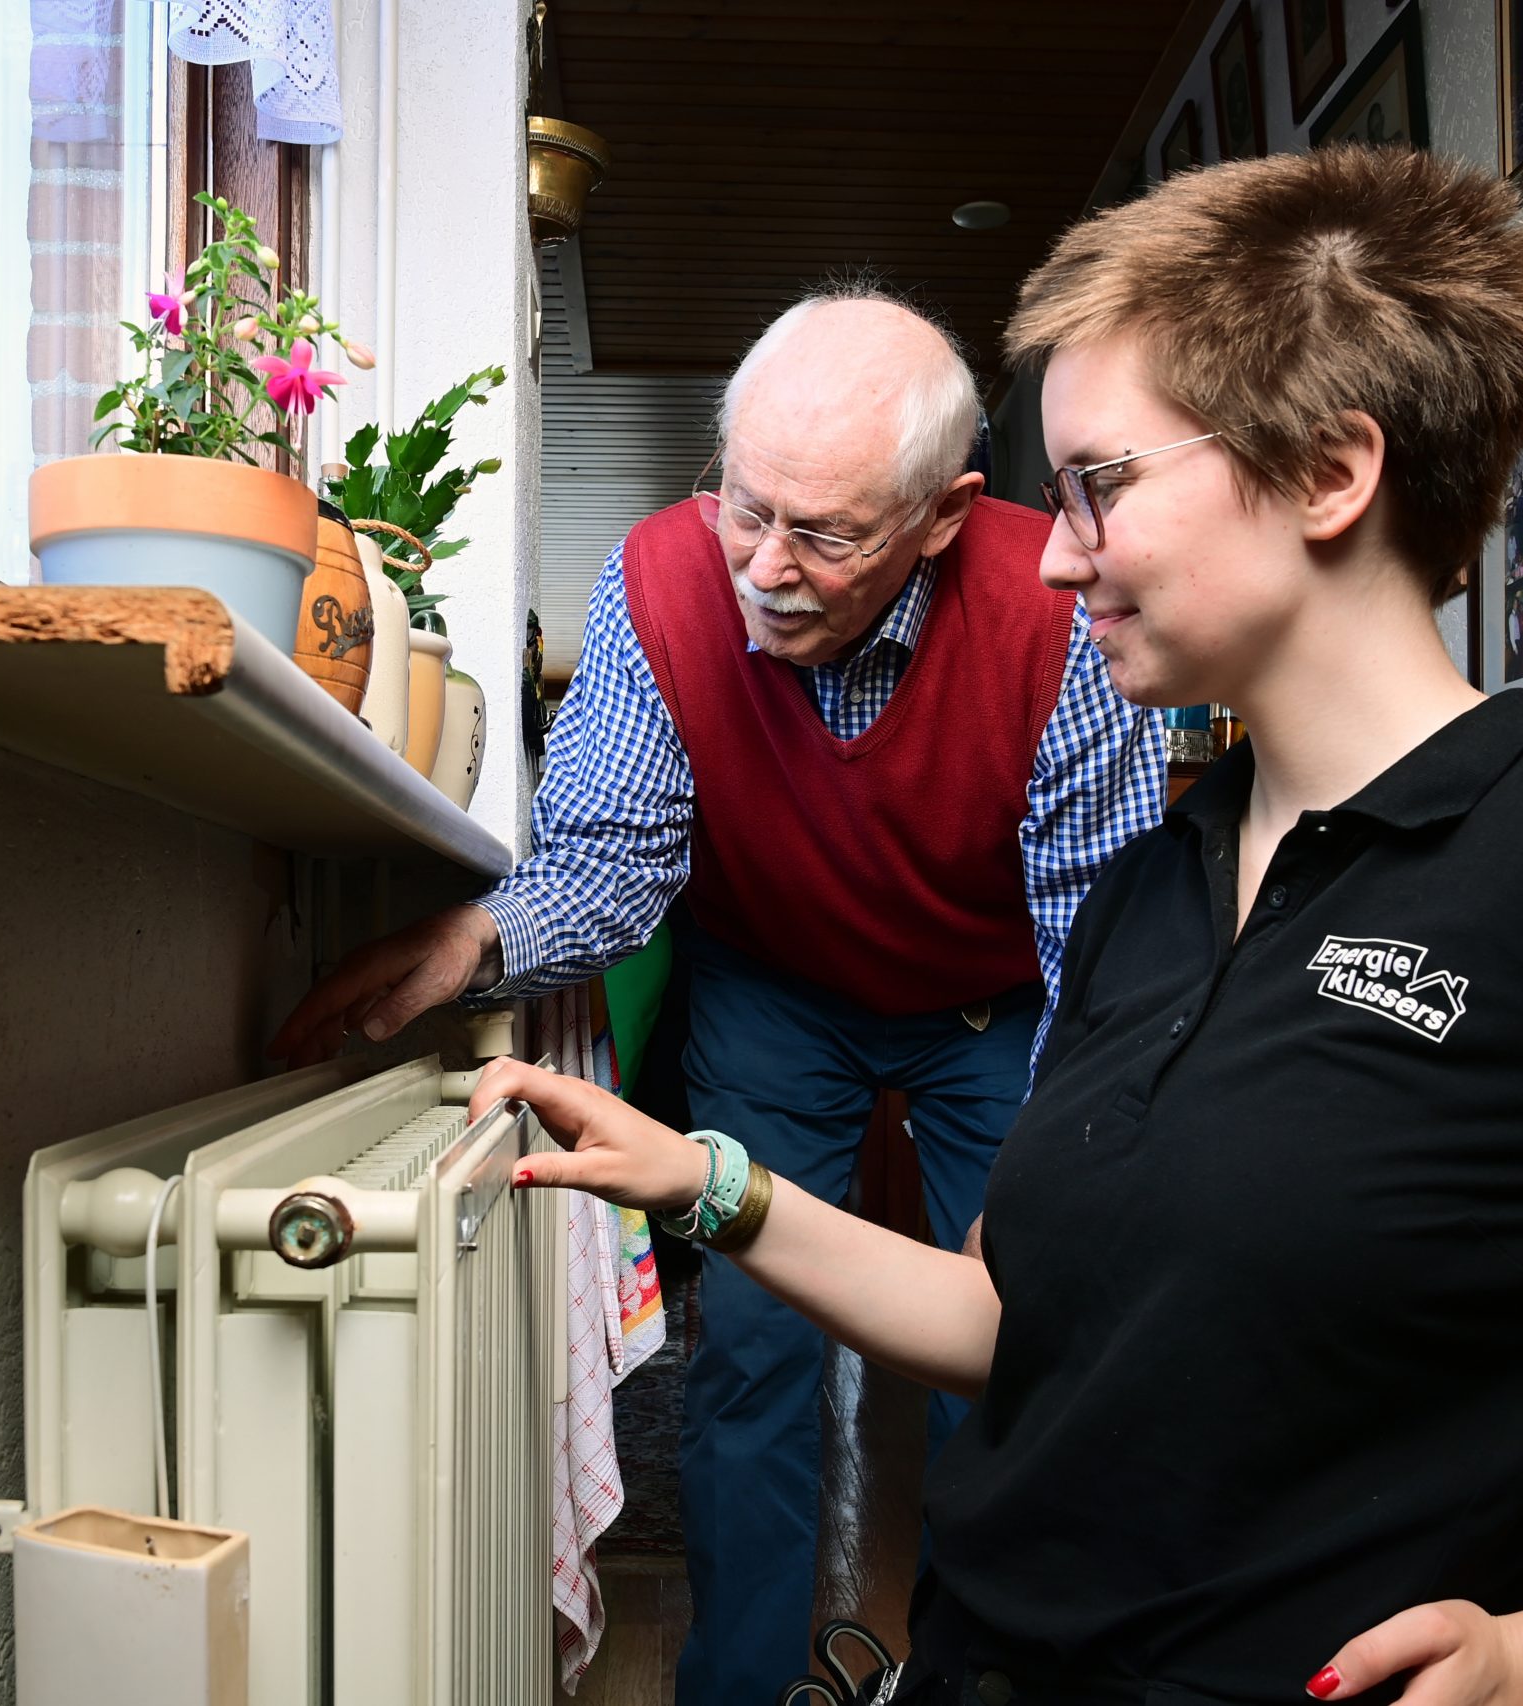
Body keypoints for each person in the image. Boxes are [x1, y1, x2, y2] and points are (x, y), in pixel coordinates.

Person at [475, 146, 1523, 1706]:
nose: (1054, 550)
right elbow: (1016, 1321)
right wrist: (705, 1179)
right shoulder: (1160, 880)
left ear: (1332, 476)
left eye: (1098, 485)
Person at [271, 288, 1168, 1704]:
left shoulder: (1060, 609)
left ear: (944, 516)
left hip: (1002, 997)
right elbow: (614, 865)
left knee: (1014, 1331)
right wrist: (476, 939)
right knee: (754, 1348)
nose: (763, 565)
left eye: (827, 534)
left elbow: (1097, 943)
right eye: (745, 506)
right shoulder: (660, 578)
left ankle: (978, 1673)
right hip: (774, 982)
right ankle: (745, 1686)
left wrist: (1059, 1168)